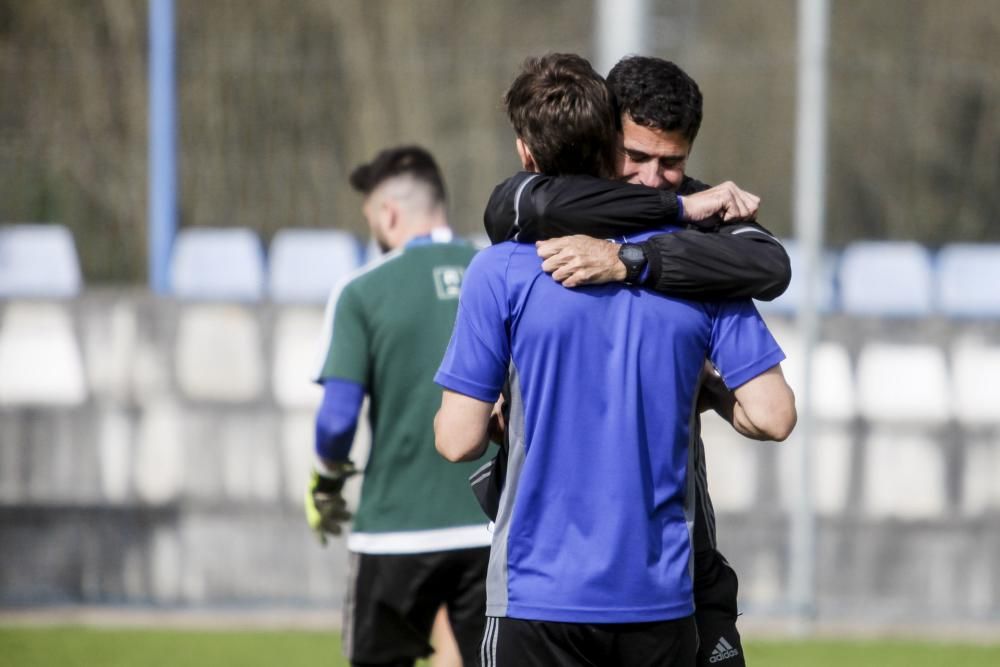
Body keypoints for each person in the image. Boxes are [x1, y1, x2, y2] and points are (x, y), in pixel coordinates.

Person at [434, 53, 796, 666]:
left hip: (541, 593)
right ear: (604, 142)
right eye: (638, 158)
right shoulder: (686, 254)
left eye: (673, 165)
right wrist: (696, 384)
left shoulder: (507, 268)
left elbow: (456, 439)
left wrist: (633, 262)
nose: (654, 180)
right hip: (658, 594)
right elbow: (772, 414)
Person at [305, 146, 490, 667]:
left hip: (395, 534)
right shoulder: (496, 273)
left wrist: (325, 484)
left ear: (387, 213)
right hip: (493, 528)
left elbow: (338, 420)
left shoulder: (363, 290)